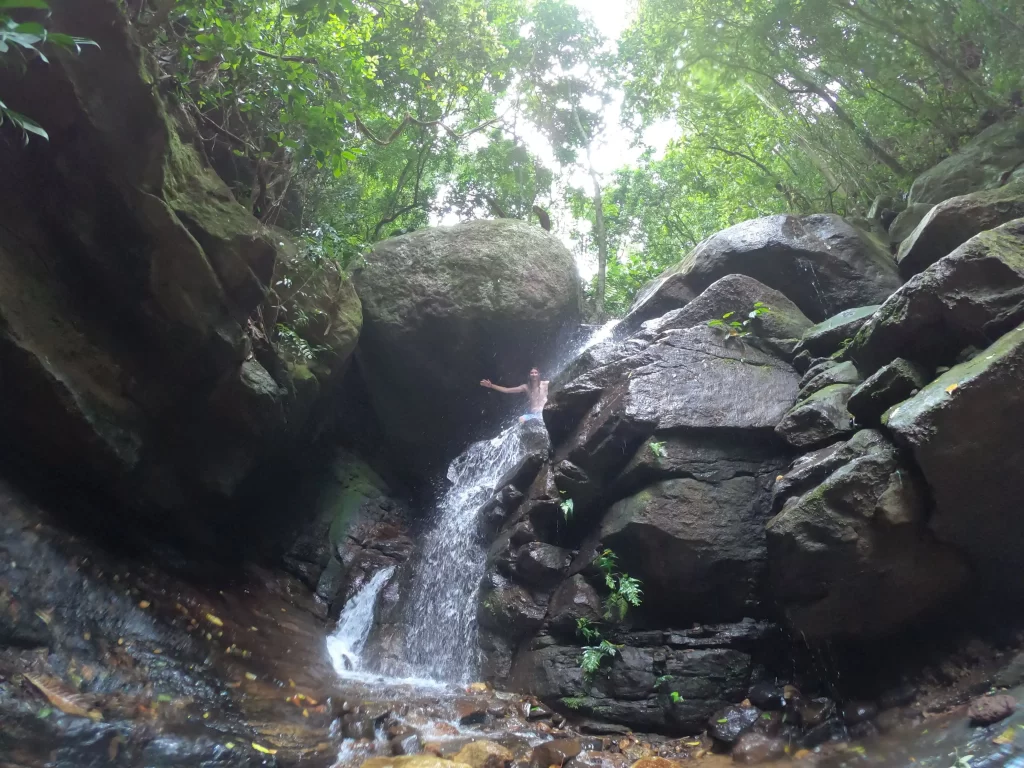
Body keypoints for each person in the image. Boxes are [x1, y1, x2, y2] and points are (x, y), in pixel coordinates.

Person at [480, 367, 549, 423]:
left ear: (539, 374)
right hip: (533, 415)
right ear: (529, 375)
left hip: (545, 412)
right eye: (532, 373)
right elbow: (507, 390)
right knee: (521, 419)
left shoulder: (546, 384)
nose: (534, 374)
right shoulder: (526, 387)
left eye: (536, 373)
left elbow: (558, 384)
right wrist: (491, 385)